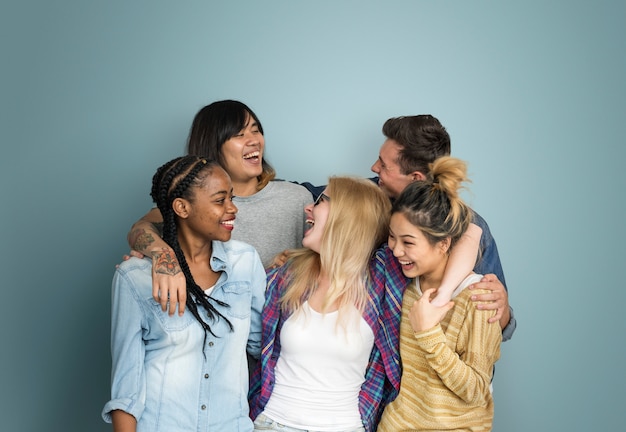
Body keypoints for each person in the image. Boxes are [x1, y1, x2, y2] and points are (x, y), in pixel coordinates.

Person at [102, 156, 266, 431]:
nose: (232, 208)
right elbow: (125, 391)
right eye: (219, 200)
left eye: (232, 198)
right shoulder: (134, 278)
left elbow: (264, 346)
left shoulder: (245, 263)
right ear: (182, 207)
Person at [127, 100, 312, 316]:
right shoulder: (192, 210)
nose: (254, 140)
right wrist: (162, 256)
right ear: (213, 146)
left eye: (256, 130)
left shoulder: (298, 199)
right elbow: (140, 229)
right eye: (239, 135)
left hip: (281, 335)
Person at [249, 177, 405, 432]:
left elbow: (457, 232)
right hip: (272, 422)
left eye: (320, 201)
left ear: (349, 216)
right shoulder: (288, 276)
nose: (307, 208)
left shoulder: (382, 280)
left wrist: (495, 290)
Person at [377, 156, 501, 431]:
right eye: (393, 237)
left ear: (443, 244)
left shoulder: (479, 298)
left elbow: (476, 391)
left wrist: (428, 334)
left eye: (408, 242)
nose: (396, 250)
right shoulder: (405, 286)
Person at [371, 115, 515, 340]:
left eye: (383, 165)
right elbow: (320, 197)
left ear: (416, 177)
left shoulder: (468, 226)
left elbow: (501, 328)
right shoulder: (366, 198)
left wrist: (501, 307)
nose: (374, 167)